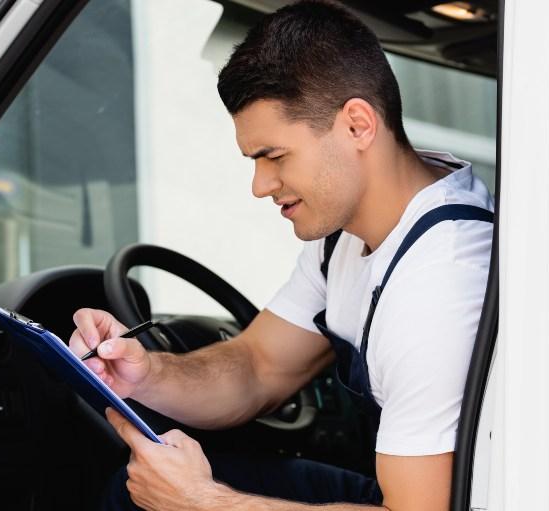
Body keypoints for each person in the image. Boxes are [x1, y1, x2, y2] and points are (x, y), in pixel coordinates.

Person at [69, 1, 494, 509]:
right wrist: (146, 375)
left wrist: (203, 501)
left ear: (358, 125)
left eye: (274, 157)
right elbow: (260, 365)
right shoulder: (349, 233)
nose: (259, 185)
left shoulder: (438, 286)